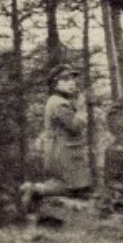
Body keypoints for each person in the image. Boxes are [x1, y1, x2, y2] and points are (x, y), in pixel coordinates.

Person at [41, 63, 92, 196]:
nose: (72, 82)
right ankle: (34, 189)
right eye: (65, 79)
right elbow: (75, 126)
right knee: (69, 189)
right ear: (55, 84)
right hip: (63, 155)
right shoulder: (59, 103)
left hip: (66, 152)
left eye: (73, 78)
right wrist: (81, 108)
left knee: (78, 190)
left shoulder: (60, 101)